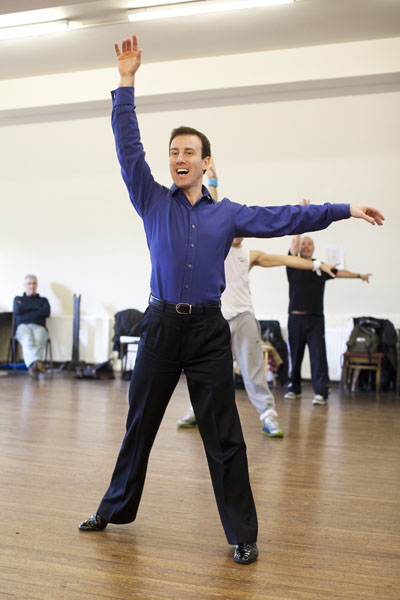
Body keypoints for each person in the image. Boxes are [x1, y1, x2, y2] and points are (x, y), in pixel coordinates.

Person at [78, 34, 384, 565]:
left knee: (224, 436)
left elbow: (287, 215)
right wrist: (126, 82)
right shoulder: (151, 199)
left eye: (188, 152)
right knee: (139, 427)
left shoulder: (228, 214)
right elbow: (128, 146)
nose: (178, 158)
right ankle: (113, 510)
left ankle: (242, 533)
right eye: (173, 152)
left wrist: (345, 207)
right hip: (159, 327)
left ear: (205, 162)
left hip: (206, 333)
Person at [178, 176, 337, 437]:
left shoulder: (250, 256)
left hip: (243, 319)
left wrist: (317, 265)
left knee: (253, 373)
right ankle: (198, 410)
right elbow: (215, 207)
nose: (238, 233)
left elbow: (286, 260)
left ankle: (268, 415)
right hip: (215, 320)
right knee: (205, 371)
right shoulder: (217, 248)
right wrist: (213, 178)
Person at [284, 221, 373, 405]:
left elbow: (339, 273)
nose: (306, 246)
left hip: (316, 319)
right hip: (295, 318)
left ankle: (321, 392)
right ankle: (294, 388)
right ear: (299, 247)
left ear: (314, 248)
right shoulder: (293, 264)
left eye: (309, 244)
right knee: (295, 355)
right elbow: (293, 243)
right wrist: (301, 218)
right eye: (303, 244)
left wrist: (359, 276)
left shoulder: (321, 267)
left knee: (318, 356)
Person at [13, 274, 50, 380]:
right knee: (28, 339)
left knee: (39, 339)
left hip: (39, 327)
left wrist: (26, 310)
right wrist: (37, 309)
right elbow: (17, 311)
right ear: (25, 285)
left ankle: (33, 367)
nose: (32, 286)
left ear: (37, 285)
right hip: (22, 327)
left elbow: (46, 312)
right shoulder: (18, 299)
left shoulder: (43, 300)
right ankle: (36, 364)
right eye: (29, 283)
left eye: (34, 283)